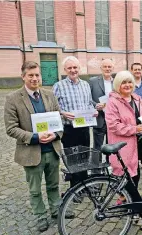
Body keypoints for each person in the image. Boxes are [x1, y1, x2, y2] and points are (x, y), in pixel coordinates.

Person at [4, 61, 74, 232]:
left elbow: (59, 122)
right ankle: (40, 215)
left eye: (37, 75)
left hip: (52, 149)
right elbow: (11, 128)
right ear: (23, 77)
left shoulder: (49, 95)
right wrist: (34, 137)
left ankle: (56, 209)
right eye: (31, 75)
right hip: (31, 151)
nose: (35, 78)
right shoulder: (13, 99)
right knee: (35, 189)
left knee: (53, 185)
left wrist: (56, 134)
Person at [53, 56, 97, 189]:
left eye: (75, 67)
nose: (73, 70)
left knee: (84, 157)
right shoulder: (58, 86)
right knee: (72, 159)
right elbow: (52, 107)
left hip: (84, 127)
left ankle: (85, 185)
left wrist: (93, 110)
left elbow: (89, 103)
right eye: (70, 68)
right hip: (68, 129)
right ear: (65, 70)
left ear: (79, 68)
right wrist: (62, 113)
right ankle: (75, 188)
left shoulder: (85, 85)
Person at [105, 70, 142, 203]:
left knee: (135, 173)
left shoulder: (137, 99)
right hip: (124, 145)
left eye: (129, 82)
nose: (127, 85)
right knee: (126, 175)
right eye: (123, 82)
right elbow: (113, 125)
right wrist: (134, 129)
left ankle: (127, 201)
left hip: (139, 143)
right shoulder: (113, 102)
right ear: (118, 85)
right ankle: (132, 203)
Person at [89, 59, 114, 150]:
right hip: (99, 118)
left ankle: (109, 162)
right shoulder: (93, 81)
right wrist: (95, 105)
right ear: (101, 68)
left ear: (113, 68)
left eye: (109, 67)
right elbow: (88, 98)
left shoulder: (116, 82)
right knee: (97, 146)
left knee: (111, 145)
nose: (107, 69)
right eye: (105, 67)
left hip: (112, 119)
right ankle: (97, 163)